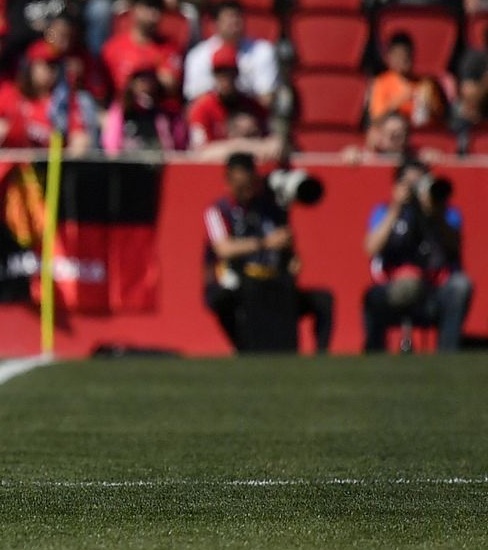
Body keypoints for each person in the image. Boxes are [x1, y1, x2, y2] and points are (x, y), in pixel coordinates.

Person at [203, 152, 333, 353]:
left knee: (323, 301)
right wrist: (265, 243)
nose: (247, 191)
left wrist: (291, 259)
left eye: (250, 184)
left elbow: (286, 246)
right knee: (222, 300)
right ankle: (244, 350)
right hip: (239, 282)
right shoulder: (220, 210)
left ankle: (321, 357)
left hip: (275, 284)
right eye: (240, 186)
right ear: (228, 182)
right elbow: (223, 248)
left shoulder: (268, 207)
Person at [362, 159, 472, 352]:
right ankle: (374, 353)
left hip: (434, 287)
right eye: (409, 185)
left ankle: (448, 356)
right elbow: (371, 249)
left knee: (461, 285)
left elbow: (455, 246)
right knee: (373, 296)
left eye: (420, 184)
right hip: (395, 286)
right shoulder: (384, 211)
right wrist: (396, 208)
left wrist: (435, 213)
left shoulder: (447, 214)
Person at [0, 39, 91, 151]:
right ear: (30, 66)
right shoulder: (10, 92)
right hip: (12, 166)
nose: (51, 71)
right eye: (45, 65)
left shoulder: (64, 100)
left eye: (55, 66)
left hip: (49, 167)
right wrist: (11, 131)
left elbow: (80, 139)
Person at [184, 0, 278, 104]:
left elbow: (267, 98)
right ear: (215, 23)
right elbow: (194, 98)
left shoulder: (262, 51)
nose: (234, 22)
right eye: (228, 18)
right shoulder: (198, 55)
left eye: (237, 17)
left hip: (248, 114)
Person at [100, 0, 183, 98]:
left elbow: (171, 84)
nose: (155, 13)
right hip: (123, 109)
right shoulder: (113, 47)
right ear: (135, 9)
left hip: (159, 110)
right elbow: (105, 88)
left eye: (158, 8)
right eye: (149, 7)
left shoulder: (169, 47)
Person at [186, 44, 269, 151]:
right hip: (213, 166)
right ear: (214, 75)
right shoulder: (202, 108)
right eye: (220, 73)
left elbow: (272, 144)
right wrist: (239, 145)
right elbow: (199, 152)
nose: (225, 79)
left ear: (237, 73)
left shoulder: (252, 106)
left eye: (230, 72)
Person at [366, 32, 447, 134]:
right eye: (398, 55)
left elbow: (441, 117)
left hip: (421, 134)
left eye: (406, 55)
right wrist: (399, 101)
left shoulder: (426, 84)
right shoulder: (381, 83)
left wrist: (429, 105)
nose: (403, 60)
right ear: (389, 57)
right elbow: (375, 119)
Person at [101, 67, 187, 153]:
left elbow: (176, 144)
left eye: (150, 80)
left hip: (156, 160)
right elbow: (112, 143)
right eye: (142, 81)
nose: (146, 85)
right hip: (127, 160)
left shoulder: (164, 112)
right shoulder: (121, 110)